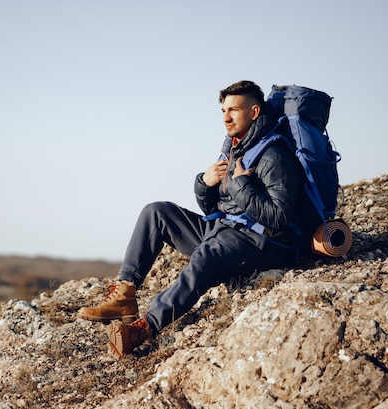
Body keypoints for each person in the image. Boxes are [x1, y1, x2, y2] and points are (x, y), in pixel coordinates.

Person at [77, 80, 304, 358]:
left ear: (254, 112)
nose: (226, 117)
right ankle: (124, 295)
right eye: (223, 110)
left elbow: (279, 217)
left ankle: (143, 328)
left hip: (258, 242)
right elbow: (215, 208)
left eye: (234, 110)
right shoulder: (238, 146)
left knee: (206, 256)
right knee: (156, 211)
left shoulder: (274, 155)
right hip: (224, 227)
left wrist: (240, 186)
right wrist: (205, 183)